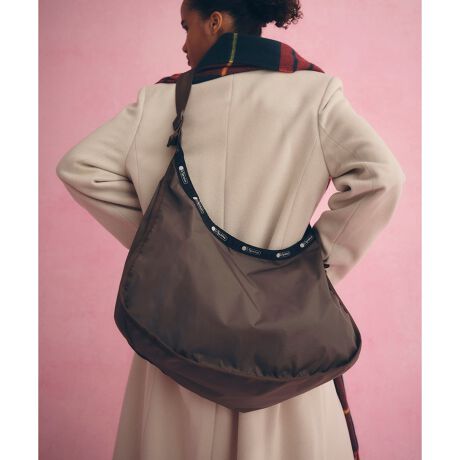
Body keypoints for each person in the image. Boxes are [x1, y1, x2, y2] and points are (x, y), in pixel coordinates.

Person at [55, 1, 406, 459]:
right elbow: (382, 178)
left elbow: (80, 167)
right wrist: (317, 268)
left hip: (177, 339)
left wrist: (168, 249)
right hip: (283, 346)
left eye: (187, 27)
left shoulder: (160, 101)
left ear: (215, 21)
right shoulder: (314, 94)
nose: (184, 44)